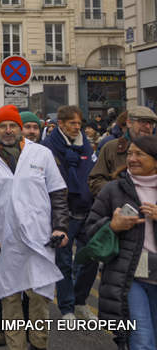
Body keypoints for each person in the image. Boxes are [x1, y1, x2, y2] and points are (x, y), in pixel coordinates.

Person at [0, 105, 69, 350]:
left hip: (40, 238)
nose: (8, 130)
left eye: (12, 125)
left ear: (20, 128)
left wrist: (60, 227)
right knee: (10, 299)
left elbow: (58, 193)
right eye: (2, 126)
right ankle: (16, 346)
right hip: (4, 240)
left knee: (39, 298)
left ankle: (39, 344)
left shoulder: (41, 154)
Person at [82, 135, 157, 349]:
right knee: (142, 340)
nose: (132, 158)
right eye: (130, 153)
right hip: (130, 277)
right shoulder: (113, 190)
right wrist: (113, 226)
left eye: (139, 154)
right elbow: (89, 231)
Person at [40, 105, 98, 322]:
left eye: (79, 123)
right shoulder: (48, 148)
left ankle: (81, 302)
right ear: (61, 124)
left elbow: (92, 175)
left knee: (90, 257)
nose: (77, 127)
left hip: (87, 210)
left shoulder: (87, 147)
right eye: (72, 123)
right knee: (63, 262)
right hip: (63, 214)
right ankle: (67, 309)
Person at [89, 106, 157, 197]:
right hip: (119, 208)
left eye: (152, 123)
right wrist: (117, 192)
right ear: (129, 123)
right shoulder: (111, 148)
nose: (148, 126)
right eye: (142, 122)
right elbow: (95, 180)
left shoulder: (155, 149)